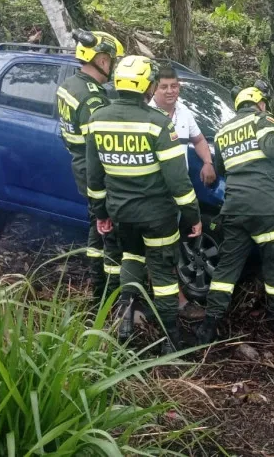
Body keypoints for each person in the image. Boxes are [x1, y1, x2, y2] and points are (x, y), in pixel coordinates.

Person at [86, 55, 202, 352]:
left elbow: (94, 176)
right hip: (158, 216)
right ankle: (171, 341)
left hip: (122, 213)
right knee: (163, 276)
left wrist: (101, 213)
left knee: (131, 259)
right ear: (147, 87)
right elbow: (179, 182)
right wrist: (193, 216)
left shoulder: (97, 119)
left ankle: (124, 324)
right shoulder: (158, 124)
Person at [195, 84, 274, 343]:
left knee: (226, 269)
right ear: (261, 104)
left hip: (235, 209)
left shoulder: (223, 131)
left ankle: (209, 324)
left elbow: (221, 168)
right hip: (267, 208)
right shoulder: (262, 119)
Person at [57, 29, 124, 305]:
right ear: (102, 60)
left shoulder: (69, 86)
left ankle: (97, 291)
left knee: (97, 229)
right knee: (112, 237)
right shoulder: (92, 97)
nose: (112, 65)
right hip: (97, 175)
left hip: (80, 168)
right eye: (111, 59)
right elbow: (99, 146)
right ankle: (110, 296)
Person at [148, 66, 217, 186]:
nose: (170, 91)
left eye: (173, 86)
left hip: (180, 185)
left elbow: (199, 140)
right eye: (164, 87)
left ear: (178, 87)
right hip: (154, 188)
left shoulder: (184, 111)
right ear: (154, 89)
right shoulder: (146, 114)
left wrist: (207, 162)